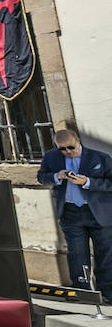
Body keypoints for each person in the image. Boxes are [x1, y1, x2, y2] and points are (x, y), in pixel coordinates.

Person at [38, 127, 112, 299]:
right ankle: (82, 291)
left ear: (78, 141)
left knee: (105, 253)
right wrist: (57, 176)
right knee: (77, 253)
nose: (67, 152)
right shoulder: (51, 157)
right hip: (70, 212)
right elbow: (42, 177)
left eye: (71, 147)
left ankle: (107, 291)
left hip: (99, 213)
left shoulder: (100, 157)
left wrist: (88, 182)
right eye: (62, 149)